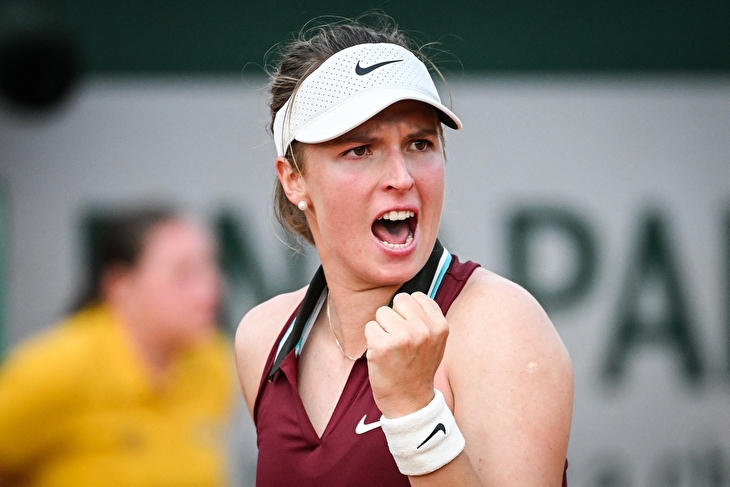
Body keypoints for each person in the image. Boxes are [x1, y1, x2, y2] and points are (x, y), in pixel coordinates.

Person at [234, 16, 573, 487]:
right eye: (360, 150)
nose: (402, 177)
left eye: (419, 143)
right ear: (294, 180)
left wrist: (415, 411)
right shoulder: (262, 338)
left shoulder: (502, 327)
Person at [0, 207, 235, 487]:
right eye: (182, 274)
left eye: (210, 268)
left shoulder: (214, 361)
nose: (209, 291)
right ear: (120, 285)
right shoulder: (56, 368)